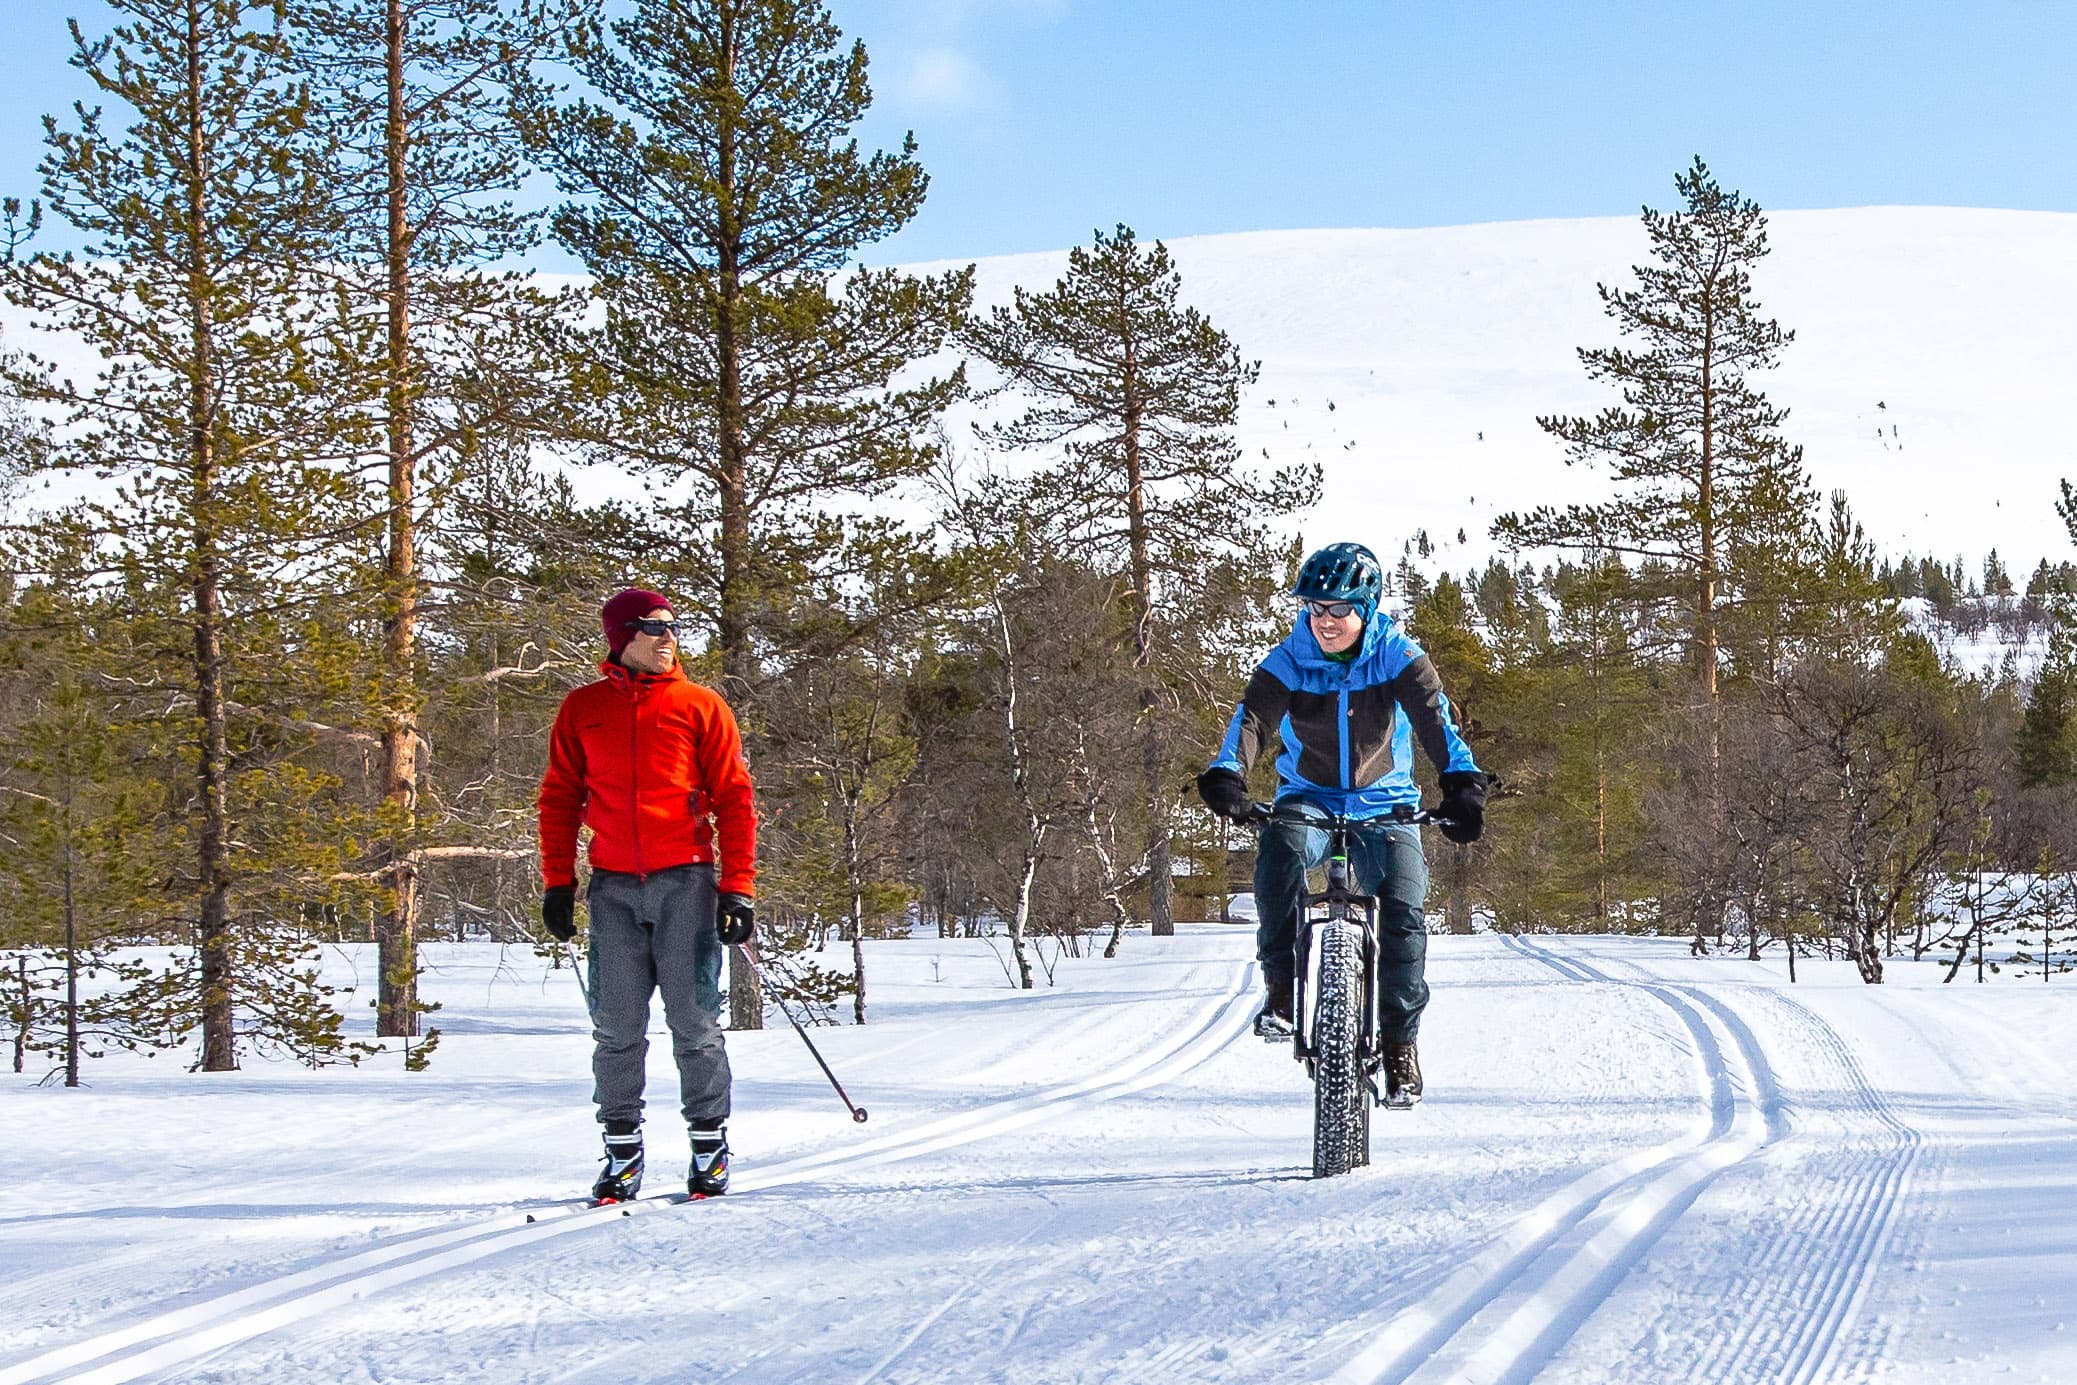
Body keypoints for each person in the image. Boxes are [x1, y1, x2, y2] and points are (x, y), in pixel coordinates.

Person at [1196, 543, 1486, 1106]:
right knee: (1280, 849)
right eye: (1315, 609)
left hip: (1386, 803)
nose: (1325, 621)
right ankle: (1281, 991)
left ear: (1368, 605)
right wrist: (1227, 773)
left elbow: (1435, 719)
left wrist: (1462, 782)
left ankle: (1401, 1044)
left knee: (1403, 909)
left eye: (1339, 609)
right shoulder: (1289, 658)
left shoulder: (1397, 655)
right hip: (1310, 796)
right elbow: (1251, 720)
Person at [538, 587, 760, 1200]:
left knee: (695, 1024)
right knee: (615, 1028)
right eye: (652, 627)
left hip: (685, 882)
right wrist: (559, 880)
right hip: (611, 887)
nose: (668, 637)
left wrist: (737, 889)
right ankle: (621, 1153)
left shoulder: (700, 706)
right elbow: (559, 798)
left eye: (672, 626)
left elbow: (736, 801)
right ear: (621, 637)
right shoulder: (582, 709)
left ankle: (710, 1147)